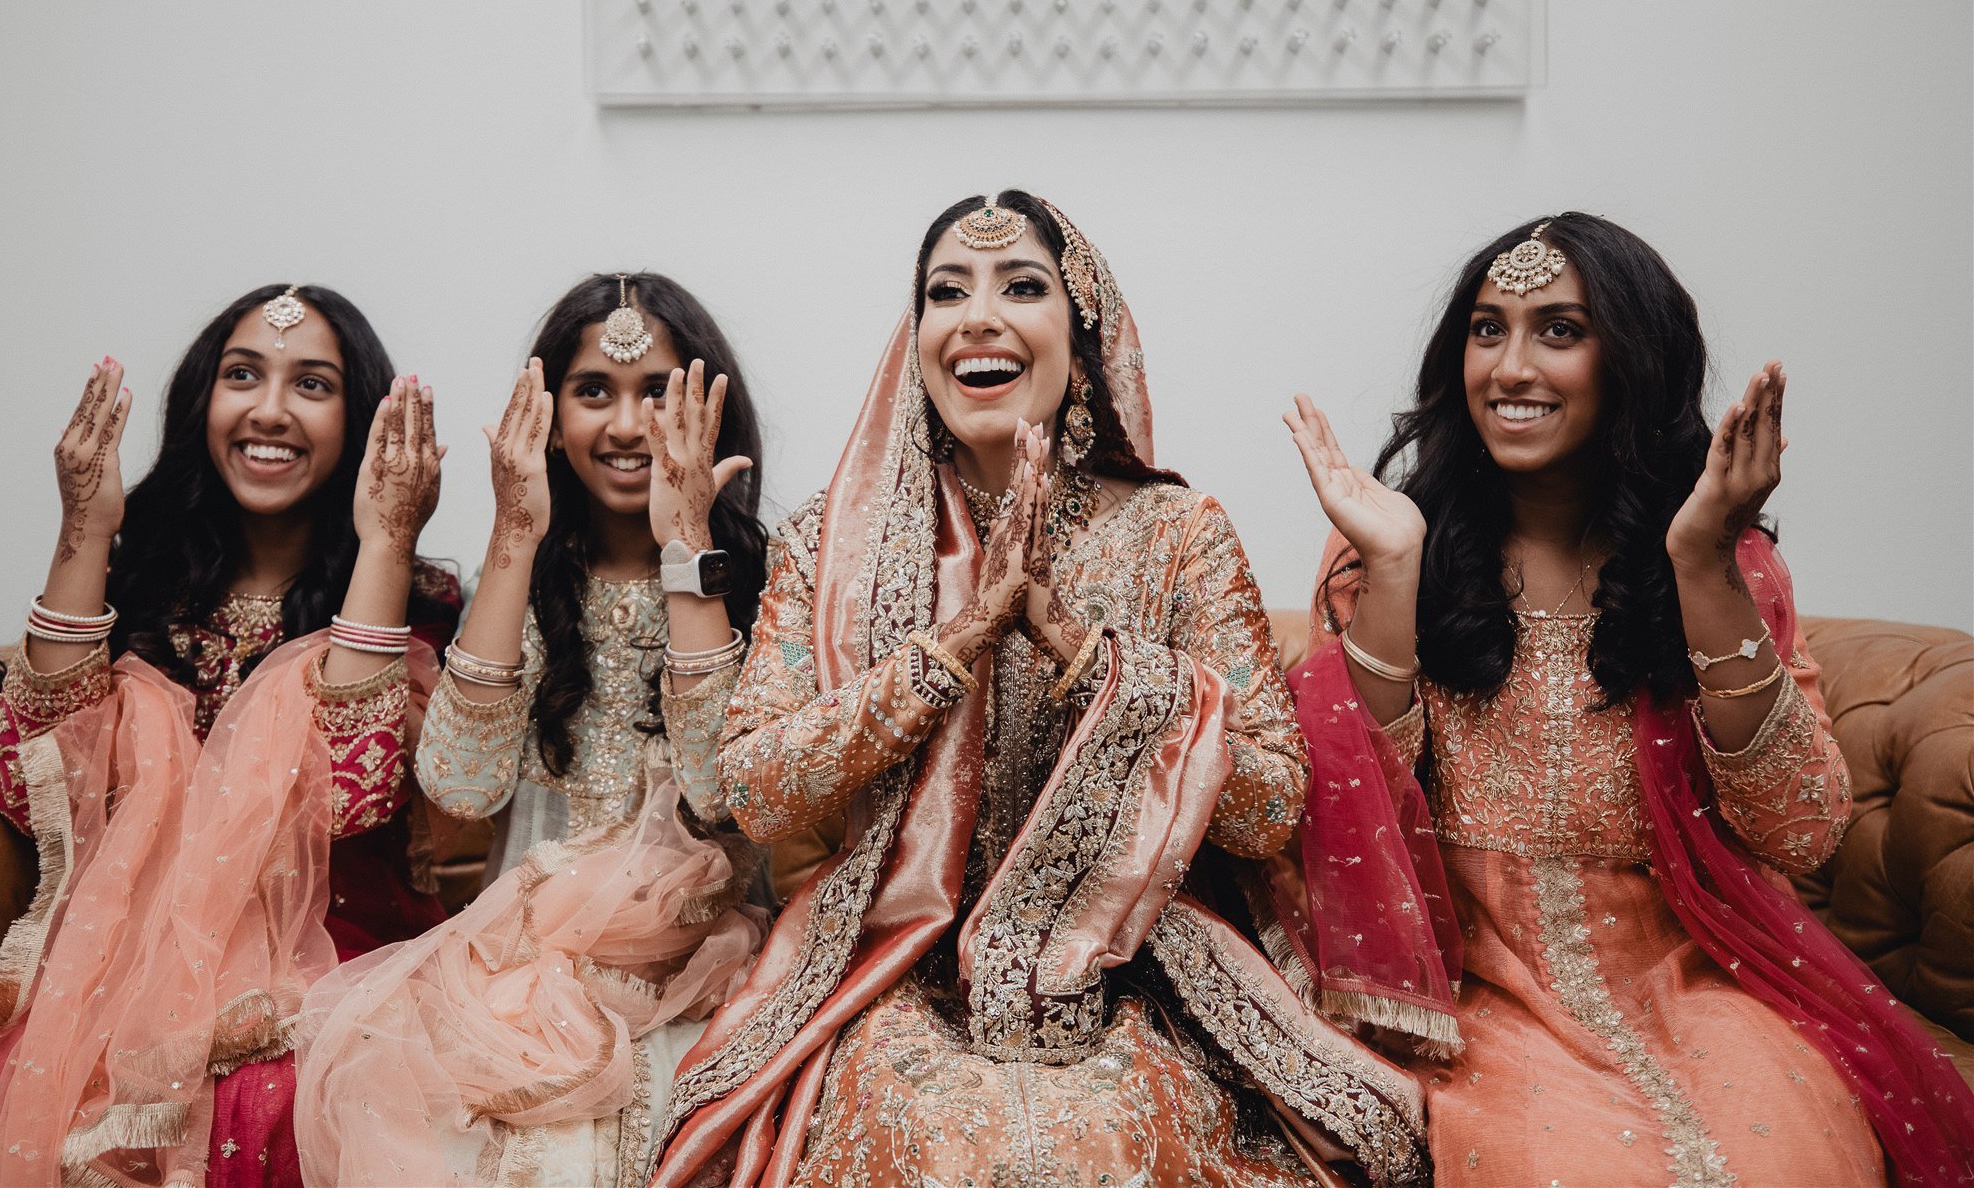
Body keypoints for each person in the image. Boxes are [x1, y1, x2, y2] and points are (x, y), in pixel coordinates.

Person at [653, 192, 1439, 1188]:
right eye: (946, 292)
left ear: (1084, 333)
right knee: (941, 1140)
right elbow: (754, 791)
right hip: (898, 963)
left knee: (1098, 1141)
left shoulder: (1176, 532)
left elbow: (1270, 807)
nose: (977, 314)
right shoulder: (832, 549)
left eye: (1021, 286)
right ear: (918, 337)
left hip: (1131, 966)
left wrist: (1088, 659)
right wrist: (946, 650)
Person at [1283, 212, 1974, 1184]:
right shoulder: (1389, 546)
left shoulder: (1725, 565)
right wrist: (1392, 577)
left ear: (1633, 358)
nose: (1509, 367)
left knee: (1773, 1157)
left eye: (1557, 330)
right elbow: (1354, 826)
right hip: (1470, 989)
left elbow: (1798, 829)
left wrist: (1700, 567)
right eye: (1487, 329)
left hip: (1695, 973)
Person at [0, 284, 457, 1186]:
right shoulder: (138, 586)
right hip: (114, 967)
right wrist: (83, 529)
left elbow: (352, 798)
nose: (270, 410)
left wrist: (385, 543)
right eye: (241, 375)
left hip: (320, 960)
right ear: (200, 403)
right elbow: (30, 788)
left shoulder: (405, 602)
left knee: (266, 1104)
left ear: (360, 421)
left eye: (313, 385)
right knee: (0, 1101)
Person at [295, 272, 768, 1184]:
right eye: (594, 392)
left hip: (704, 965)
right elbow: (462, 787)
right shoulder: (530, 581)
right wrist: (516, 532)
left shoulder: (764, 579)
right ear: (547, 416)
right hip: (517, 969)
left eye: (658, 395)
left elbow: (721, 792)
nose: (626, 427)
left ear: (709, 410)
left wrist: (686, 551)